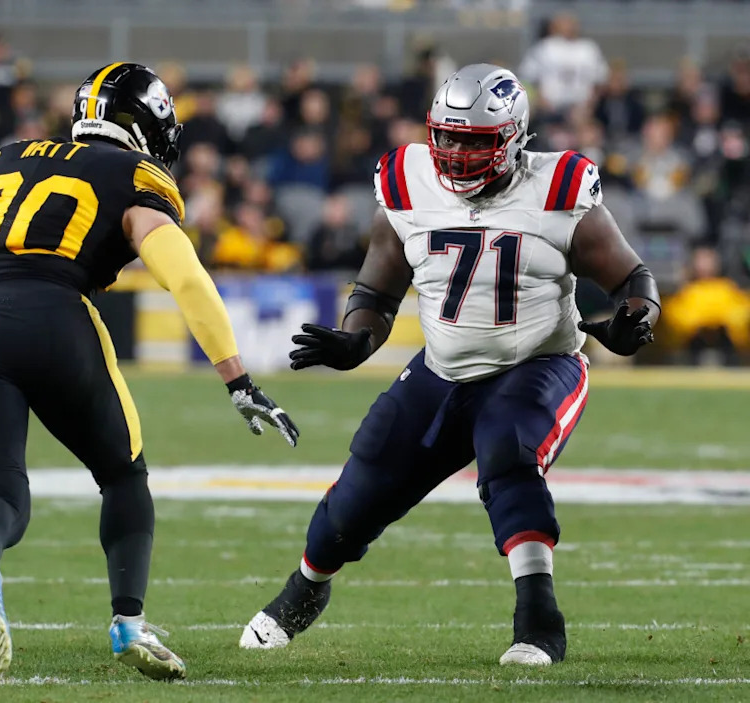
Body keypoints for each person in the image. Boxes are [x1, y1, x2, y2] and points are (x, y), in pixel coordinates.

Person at [239, 64, 659, 666]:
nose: (457, 154)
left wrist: (630, 324)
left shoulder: (556, 187)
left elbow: (634, 278)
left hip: (538, 362)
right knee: (363, 484)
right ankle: (303, 590)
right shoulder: (409, 180)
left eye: (475, 141)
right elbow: (378, 291)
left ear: (514, 138)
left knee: (508, 447)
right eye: (449, 137)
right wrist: (356, 341)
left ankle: (538, 619)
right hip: (442, 369)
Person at [0, 62, 299, 680]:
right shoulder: (136, 175)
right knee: (122, 476)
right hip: (57, 314)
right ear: (144, 125)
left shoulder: (10, 158)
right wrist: (238, 380)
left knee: (0, 493)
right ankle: (127, 626)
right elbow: (185, 277)